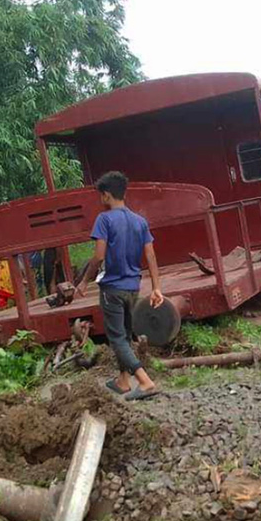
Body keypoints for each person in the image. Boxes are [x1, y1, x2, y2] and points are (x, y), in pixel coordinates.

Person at [77, 171, 164, 401]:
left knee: (116, 338)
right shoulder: (139, 221)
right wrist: (156, 288)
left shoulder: (104, 219)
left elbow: (98, 256)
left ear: (106, 195)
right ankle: (123, 381)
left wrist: (84, 281)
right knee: (124, 335)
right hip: (133, 288)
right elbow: (151, 257)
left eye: (100, 196)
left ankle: (144, 382)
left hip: (112, 289)